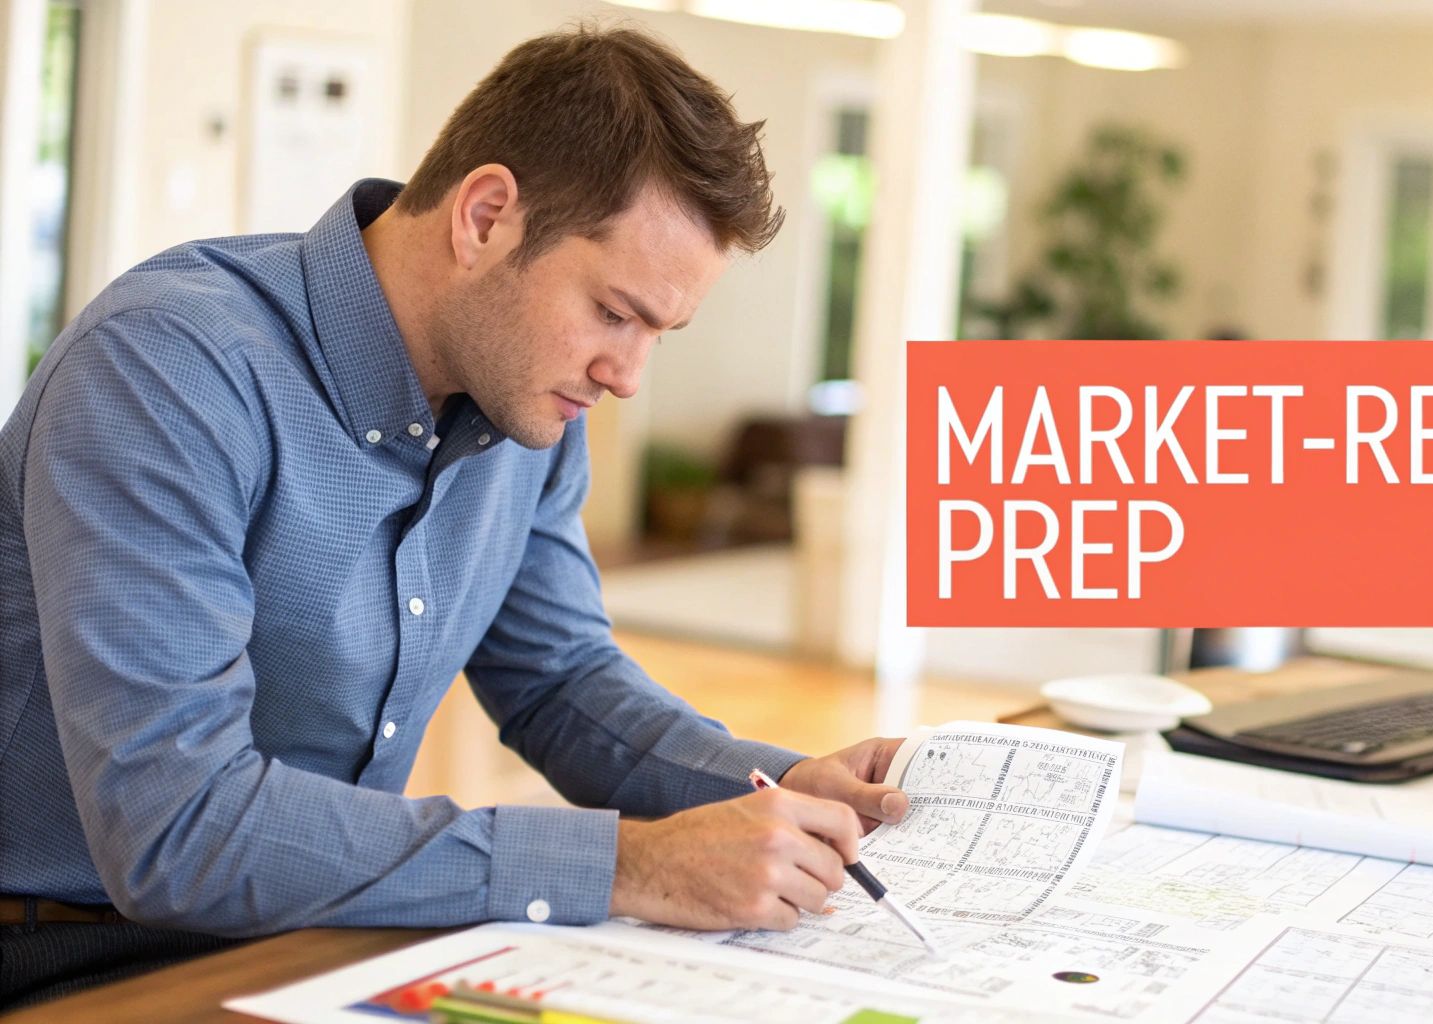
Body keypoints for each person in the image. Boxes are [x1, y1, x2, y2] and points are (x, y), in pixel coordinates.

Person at [0, 25, 908, 1006]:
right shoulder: (169, 372)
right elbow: (178, 826)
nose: (629, 376)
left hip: (321, 940)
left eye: (659, 332)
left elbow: (560, 681)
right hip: (73, 958)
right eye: (614, 312)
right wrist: (626, 865)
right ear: (484, 217)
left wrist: (780, 787)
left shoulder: (532, 405)